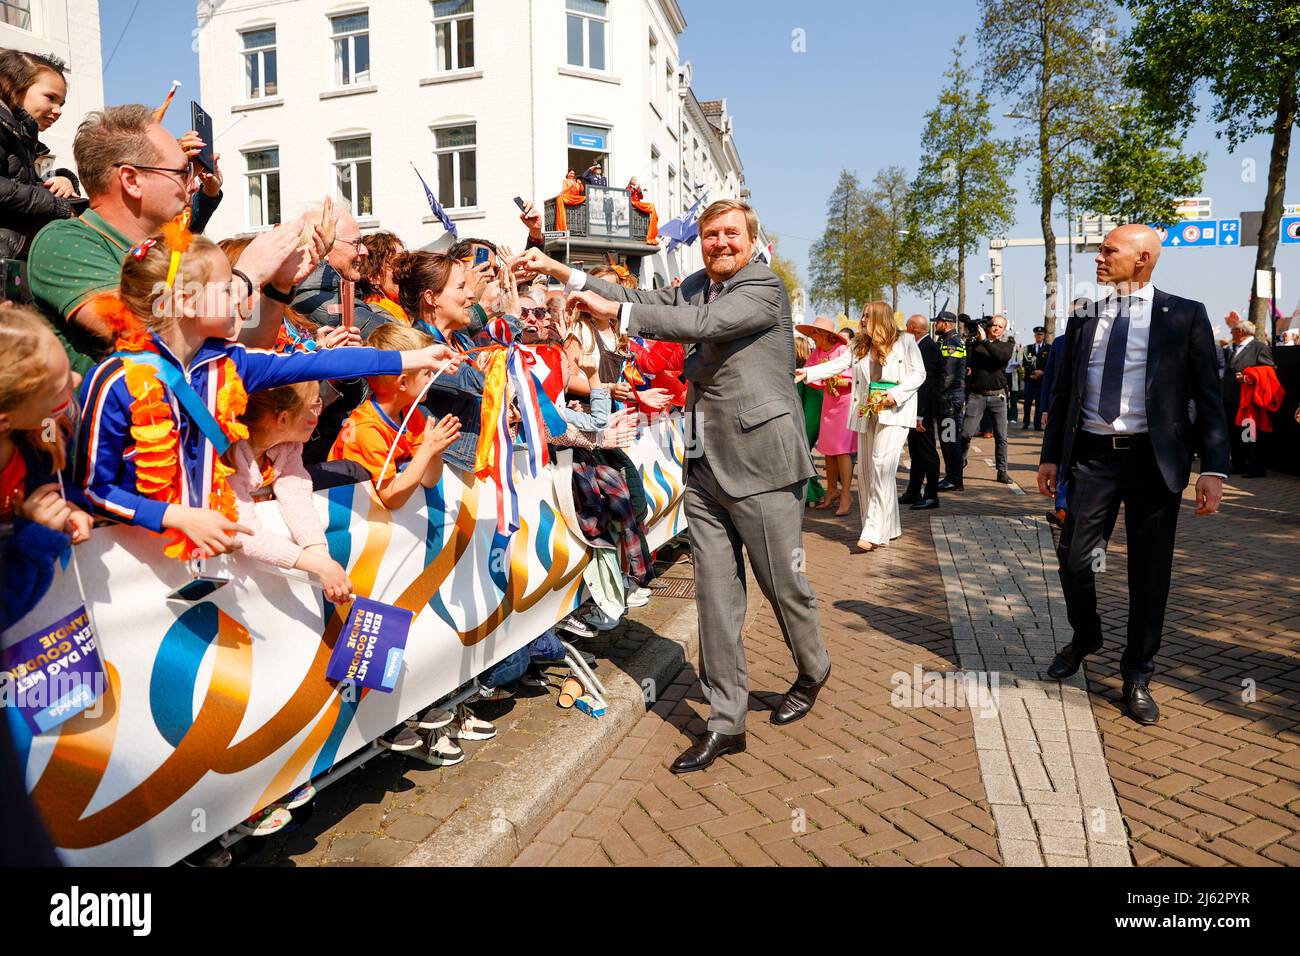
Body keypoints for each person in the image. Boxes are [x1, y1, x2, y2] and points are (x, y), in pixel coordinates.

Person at [516, 199, 830, 774]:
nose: (719, 243)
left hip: (763, 465)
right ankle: (726, 721)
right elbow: (644, 299)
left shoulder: (763, 288)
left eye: (730, 233)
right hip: (704, 464)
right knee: (714, 597)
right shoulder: (693, 284)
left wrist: (617, 315)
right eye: (711, 235)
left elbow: (702, 327)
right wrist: (565, 274)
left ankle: (813, 667)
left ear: (750, 239)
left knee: (784, 586)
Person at [75, 227, 461, 561]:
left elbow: (321, 365)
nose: (243, 300)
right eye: (228, 289)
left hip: (209, 553)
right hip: (135, 563)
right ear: (185, 302)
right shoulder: (114, 381)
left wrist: (412, 357)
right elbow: (92, 488)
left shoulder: (228, 363)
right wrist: (176, 516)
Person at [1038, 224, 1229, 726]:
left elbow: (1209, 397)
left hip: (1153, 461)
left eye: (1109, 251)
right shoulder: (1084, 317)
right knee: (1075, 559)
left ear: (1142, 259)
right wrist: (1051, 455)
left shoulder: (1185, 315)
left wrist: (1213, 468)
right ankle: (1086, 635)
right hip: (1093, 459)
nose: (1098, 258)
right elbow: (1064, 393)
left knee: (1149, 576)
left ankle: (1137, 674)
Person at [26, 104, 225, 375]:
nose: (192, 185)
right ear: (131, 180)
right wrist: (249, 277)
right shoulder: (63, 242)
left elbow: (234, 349)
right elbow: (151, 336)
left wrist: (275, 292)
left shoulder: (163, 247)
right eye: (182, 173)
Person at [801, 301, 926, 551]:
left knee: (882, 465)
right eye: (862, 315)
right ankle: (889, 526)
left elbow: (918, 374)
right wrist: (807, 374)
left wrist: (896, 395)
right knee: (869, 471)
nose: (863, 320)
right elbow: (838, 365)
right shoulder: (859, 344)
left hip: (895, 412)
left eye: (868, 316)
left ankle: (872, 531)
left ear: (881, 318)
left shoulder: (906, 342)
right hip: (867, 412)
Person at [0, 304, 92, 631]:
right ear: (4, 421)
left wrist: (67, 509)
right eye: (60, 387)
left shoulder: (47, 429)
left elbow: (58, 476)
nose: (78, 380)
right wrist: (35, 535)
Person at [226, 381, 353, 601]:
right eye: (315, 404)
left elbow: (297, 500)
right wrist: (319, 566)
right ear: (283, 419)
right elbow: (243, 532)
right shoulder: (229, 455)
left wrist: (323, 560)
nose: (319, 411)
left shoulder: (288, 445)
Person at [329, 323, 462, 510]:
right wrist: (427, 449)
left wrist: (435, 451)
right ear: (403, 382)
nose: (432, 377)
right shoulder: (366, 428)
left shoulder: (410, 414)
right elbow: (391, 499)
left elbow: (429, 480)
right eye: (427, 372)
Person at [0, 50, 81, 260]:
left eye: (61, 103)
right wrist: (55, 205)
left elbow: (27, 182)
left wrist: (64, 179)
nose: (58, 110)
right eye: (50, 98)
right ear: (13, 87)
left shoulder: (25, 140)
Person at [292, 204, 391, 337]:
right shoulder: (324, 305)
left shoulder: (330, 291)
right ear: (323, 245)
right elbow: (407, 342)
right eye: (356, 243)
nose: (364, 251)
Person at [795, 315, 854, 516]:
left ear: (825, 335)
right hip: (829, 404)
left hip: (844, 405)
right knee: (829, 450)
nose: (812, 338)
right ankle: (831, 491)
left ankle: (846, 494)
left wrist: (831, 380)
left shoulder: (842, 351)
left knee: (842, 450)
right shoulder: (818, 352)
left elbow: (852, 380)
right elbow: (809, 373)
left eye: (814, 334)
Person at [961, 314, 1014, 484]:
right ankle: (958, 464)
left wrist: (985, 342)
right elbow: (967, 361)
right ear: (988, 327)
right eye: (994, 325)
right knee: (966, 433)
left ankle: (1002, 471)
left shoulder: (1006, 346)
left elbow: (1000, 357)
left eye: (1000, 326)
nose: (996, 328)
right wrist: (973, 338)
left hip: (998, 396)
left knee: (1001, 436)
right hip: (977, 395)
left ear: (1004, 330)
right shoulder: (974, 345)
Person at [1221, 317, 1275, 478]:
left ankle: (1255, 467)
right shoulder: (1235, 348)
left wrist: (1248, 378)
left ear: (1242, 331)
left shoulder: (1259, 347)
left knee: (1249, 435)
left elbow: (1269, 370)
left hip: (1248, 402)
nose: (1231, 333)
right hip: (1231, 401)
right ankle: (1239, 464)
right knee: (1234, 434)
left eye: (1233, 330)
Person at [899, 314, 942, 510]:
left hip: (922, 410)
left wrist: (920, 414)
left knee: (927, 453)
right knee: (916, 452)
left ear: (913, 329)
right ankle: (913, 491)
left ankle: (931, 495)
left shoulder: (928, 349)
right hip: (914, 408)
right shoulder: (920, 347)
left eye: (907, 328)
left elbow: (927, 384)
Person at [934, 312, 967, 492]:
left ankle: (954, 479)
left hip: (949, 399)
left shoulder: (951, 342)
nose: (935, 325)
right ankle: (951, 476)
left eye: (937, 322)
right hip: (948, 398)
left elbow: (947, 373)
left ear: (946, 324)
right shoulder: (947, 340)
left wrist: (935, 393)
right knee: (948, 440)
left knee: (950, 440)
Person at [793, 333, 826, 507]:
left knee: (802, 454)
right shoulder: (805, 371)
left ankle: (812, 494)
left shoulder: (805, 373)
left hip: (808, 420)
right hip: (809, 418)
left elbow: (812, 403)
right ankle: (815, 493)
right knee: (804, 455)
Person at [357, 230, 409, 324]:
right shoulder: (378, 316)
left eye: (405, 259)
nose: (405, 267)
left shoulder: (403, 305)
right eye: (397, 262)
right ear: (374, 277)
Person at [1021, 325, 1047, 430]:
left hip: (1042, 380)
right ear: (1034, 335)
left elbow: (1049, 363)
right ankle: (1026, 422)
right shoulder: (1028, 348)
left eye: (1041, 334)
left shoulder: (1048, 348)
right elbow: (1025, 362)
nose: (1039, 336)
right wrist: (1033, 372)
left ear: (1044, 335)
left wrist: (1042, 372)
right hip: (1030, 379)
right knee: (1027, 402)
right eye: (1037, 334)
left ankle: (1037, 424)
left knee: (1039, 403)